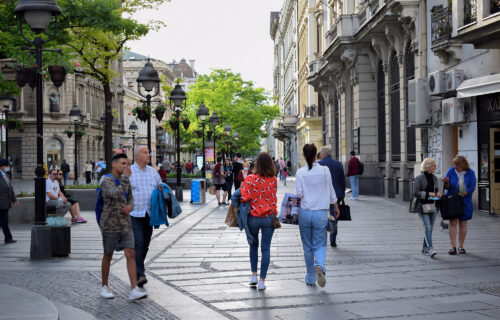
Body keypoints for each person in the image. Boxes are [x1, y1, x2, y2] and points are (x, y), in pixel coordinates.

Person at [99, 153, 147, 300]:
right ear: (114, 164)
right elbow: (115, 194)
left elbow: (130, 196)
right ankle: (104, 286)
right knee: (108, 254)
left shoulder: (126, 180)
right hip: (110, 224)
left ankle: (134, 289)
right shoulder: (106, 180)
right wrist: (126, 178)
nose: (126, 167)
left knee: (130, 253)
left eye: (127, 164)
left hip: (125, 224)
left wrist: (130, 207)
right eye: (123, 164)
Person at [296, 144, 340, 287]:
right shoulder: (324, 170)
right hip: (321, 212)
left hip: (305, 212)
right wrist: (335, 205)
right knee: (320, 243)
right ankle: (319, 265)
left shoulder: (300, 172)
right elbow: (330, 189)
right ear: (317, 155)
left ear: (304, 155)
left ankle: (310, 277)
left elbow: (299, 194)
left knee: (307, 246)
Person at [240, 152, 278, 291]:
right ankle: (262, 281)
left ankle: (254, 276)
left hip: (253, 218)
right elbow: (273, 196)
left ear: (257, 164)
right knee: (266, 249)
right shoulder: (273, 179)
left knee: (253, 246)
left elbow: (244, 197)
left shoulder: (250, 179)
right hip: (269, 218)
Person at [129, 146, 162, 288]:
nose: (149, 155)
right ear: (137, 156)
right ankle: (139, 273)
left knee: (146, 244)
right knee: (139, 242)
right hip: (134, 214)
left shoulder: (153, 172)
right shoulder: (129, 172)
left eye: (149, 152)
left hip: (149, 214)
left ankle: (138, 269)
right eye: (145, 153)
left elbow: (160, 187)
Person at [443, 155, 476, 255]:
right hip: (453, 201)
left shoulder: (470, 173)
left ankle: (461, 246)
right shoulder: (451, 171)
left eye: (457, 164)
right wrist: (447, 183)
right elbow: (447, 187)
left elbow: (472, 186)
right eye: (455, 164)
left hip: (465, 201)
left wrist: (466, 192)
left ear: (463, 165)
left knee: (463, 224)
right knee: (452, 223)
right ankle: (453, 246)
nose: (455, 166)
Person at [318, 146, 346, 247]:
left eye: (320, 154)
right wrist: (342, 195)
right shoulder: (338, 164)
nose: (320, 156)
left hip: (322, 195)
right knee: (334, 216)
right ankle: (333, 238)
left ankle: (322, 239)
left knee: (322, 216)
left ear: (323, 154)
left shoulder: (319, 164)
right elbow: (343, 181)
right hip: (336, 195)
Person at [413, 158, 441, 258]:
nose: (435, 167)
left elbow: (437, 190)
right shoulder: (419, 178)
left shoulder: (434, 178)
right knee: (428, 228)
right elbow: (415, 192)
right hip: (423, 207)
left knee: (429, 229)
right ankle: (430, 249)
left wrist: (438, 194)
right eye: (434, 165)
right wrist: (428, 193)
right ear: (428, 166)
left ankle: (424, 249)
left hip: (434, 206)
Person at [0, 159, 18, 244]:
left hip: (6, 203)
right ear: (2, 166)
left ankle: (8, 238)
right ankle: (8, 238)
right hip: (1, 203)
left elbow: (11, 189)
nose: (9, 167)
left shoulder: (6, 176)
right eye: (7, 166)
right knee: (4, 221)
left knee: (2, 222)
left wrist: (14, 200)